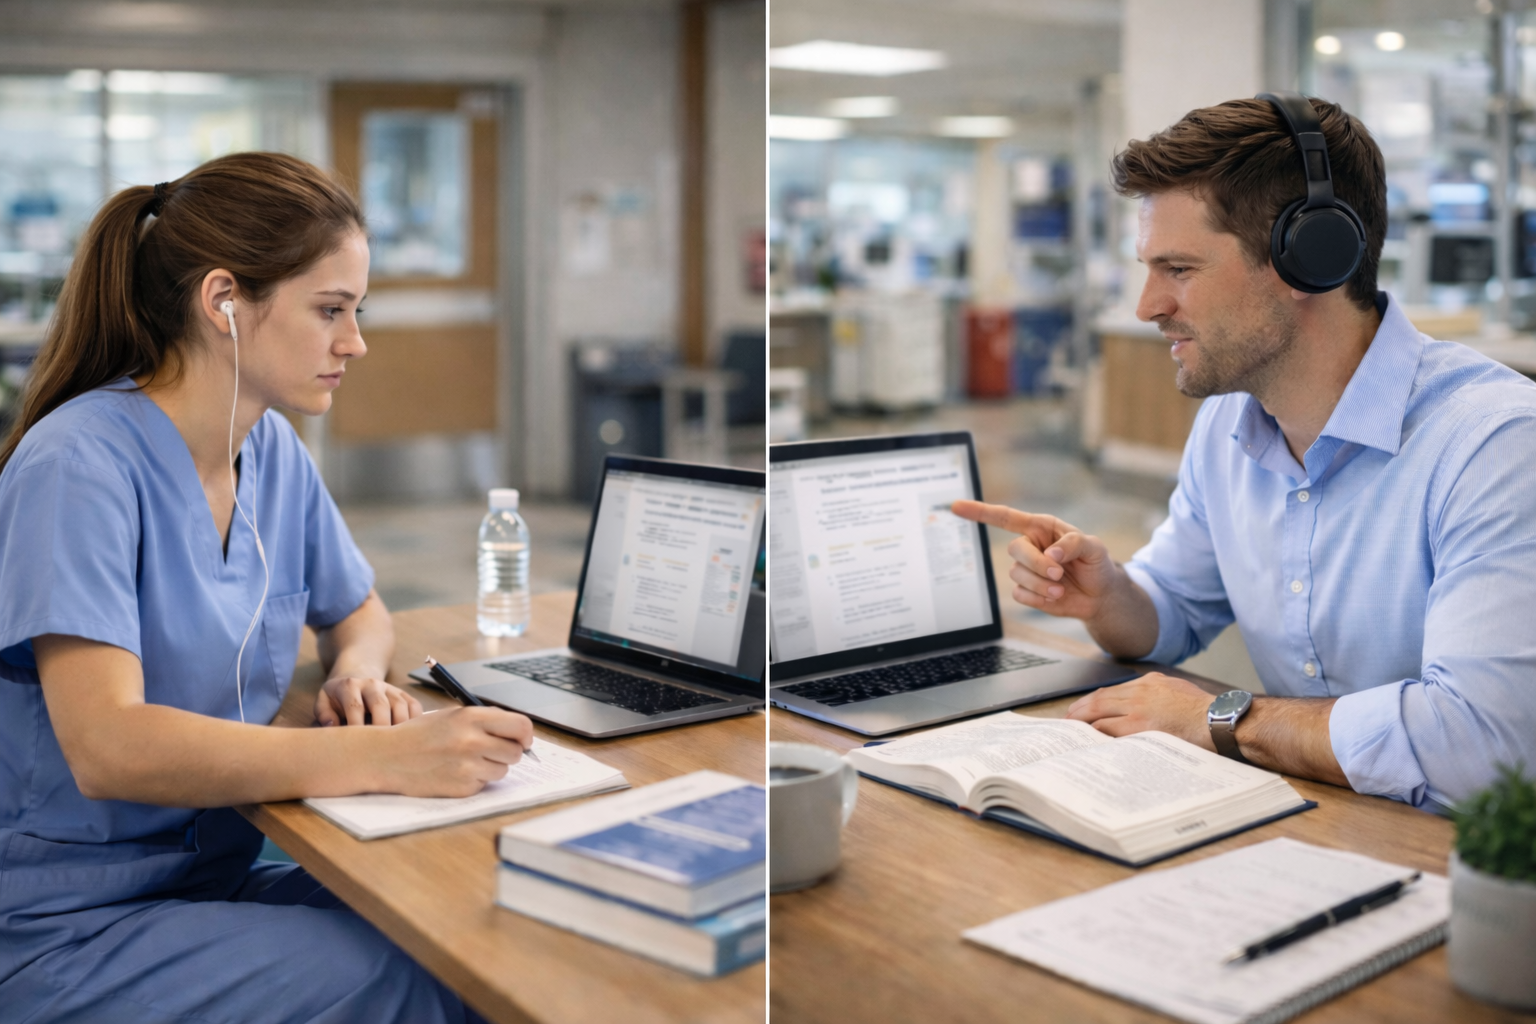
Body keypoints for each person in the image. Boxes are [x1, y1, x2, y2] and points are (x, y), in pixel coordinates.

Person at [0, 152, 534, 1022]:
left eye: (356, 312)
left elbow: (358, 609)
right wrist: (381, 757)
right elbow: (109, 746)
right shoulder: (79, 463)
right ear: (223, 302)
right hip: (68, 925)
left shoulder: (272, 451)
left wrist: (355, 672)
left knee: (473, 928)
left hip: (208, 877)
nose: (354, 342)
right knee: (403, 980)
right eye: (331, 310)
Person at [956, 96, 1536, 814]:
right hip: (1320, 819)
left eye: (1178, 268)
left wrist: (1221, 717)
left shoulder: (1496, 446)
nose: (1147, 305)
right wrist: (1109, 596)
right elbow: (1168, 614)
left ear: (1308, 258)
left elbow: (1484, 745)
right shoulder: (1232, 423)